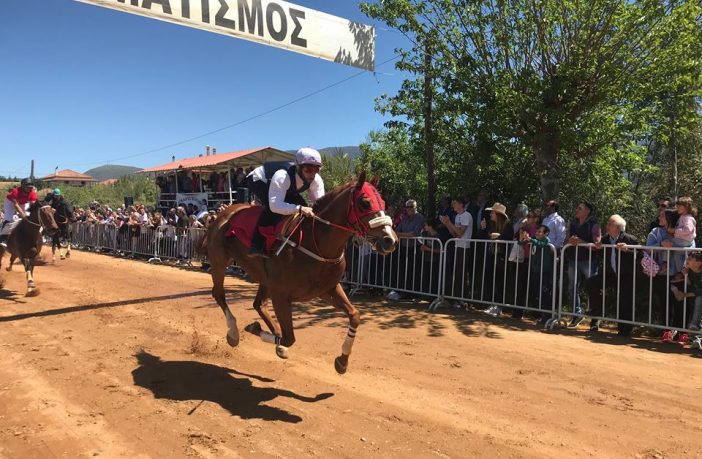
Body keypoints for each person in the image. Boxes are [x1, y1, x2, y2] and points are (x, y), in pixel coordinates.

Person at [246, 147, 325, 257]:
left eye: (316, 170)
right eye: (308, 170)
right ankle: (256, 245)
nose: (312, 174)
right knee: (272, 210)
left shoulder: (316, 180)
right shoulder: (282, 176)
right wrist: (300, 209)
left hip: (284, 186)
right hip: (259, 180)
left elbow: (320, 203)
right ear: (298, 167)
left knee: (303, 206)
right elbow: (275, 206)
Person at [586, 215, 639, 336]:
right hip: (610, 274)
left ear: (618, 227)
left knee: (625, 300)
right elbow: (596, 248)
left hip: (626, 275)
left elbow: (641, 255)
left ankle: (625, 329)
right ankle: (596, 313)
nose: (607, 226)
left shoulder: (630, 239)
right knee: (592, 282)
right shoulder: (606, 239)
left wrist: (628, 250)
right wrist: (597, 247)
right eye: (608, 223)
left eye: (610, 224)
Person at [661, 196, 697, 277]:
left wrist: (674, 230)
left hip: (683, 241)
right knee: (677, 255)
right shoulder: (683, 216)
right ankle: (682, 272)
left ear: (686, 207)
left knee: (667, 243)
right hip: (683, 241)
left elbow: (688, 229)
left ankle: (665, 262)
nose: (677, 208)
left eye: (679, 206)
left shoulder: (688, 218)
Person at [0, 178, 38, 248]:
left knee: (28, 216)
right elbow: (16, 206)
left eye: (31, 187)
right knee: (9, 218)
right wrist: (23, 215)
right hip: (10, 202)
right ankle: (3, 237)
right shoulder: (16, 191)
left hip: (22, 202)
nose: (30, 189)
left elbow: (33, 206)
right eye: (28, 187)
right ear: (23, 186)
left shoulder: (32, 193)